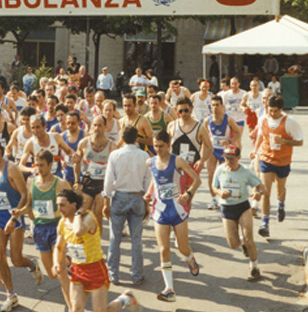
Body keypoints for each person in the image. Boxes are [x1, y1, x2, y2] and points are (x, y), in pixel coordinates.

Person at [53, 189, 142, 312]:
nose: (60, 209)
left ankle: (125, 299)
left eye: (63, 205)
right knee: (76, 309)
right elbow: (59, 246)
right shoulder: (63, 223)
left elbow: (78, 232)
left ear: (73, 205)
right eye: (58, 206)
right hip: (78, 270)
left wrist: (78, 214)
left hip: (95, 269)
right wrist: (57, 263)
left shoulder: (88, 218)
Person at [0, 139, 43, 312]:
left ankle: (31, 264)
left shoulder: (12, 169)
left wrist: (14, 218)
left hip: (14, 216)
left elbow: (24, 195)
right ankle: (11, 294)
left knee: (16, 260)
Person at [22, 149, 76, 312]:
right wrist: (18, 214)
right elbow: (29, 205)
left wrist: (71, 223)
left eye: (42, 165)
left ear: (50, 165)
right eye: (36, 164)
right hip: (39, 230)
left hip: (56, 229)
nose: (38, 168)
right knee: (52, 274)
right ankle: (68, 261)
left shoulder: (60, 183)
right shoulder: (31, 182)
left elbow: (74, 202)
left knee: (59, 272)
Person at [146, 130, 201, 302]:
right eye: (155, 146)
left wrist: (189, 194)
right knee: (164, 249)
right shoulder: (150, 162)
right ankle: (169, 289)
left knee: (182, 248)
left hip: (177, 208)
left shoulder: (177, 160)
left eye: (161, 146)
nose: (158, 150)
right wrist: (148, 194)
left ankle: (190, 259)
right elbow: (155, 181)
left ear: (168, 144)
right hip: (160, 209)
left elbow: (197, 180)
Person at [103, 126, 151, 285]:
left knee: (114, 239)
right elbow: (148, 182)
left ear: (122, 137)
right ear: (137, 137)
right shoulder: (144, 155)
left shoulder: (115, 155)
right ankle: (137, 275)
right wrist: (147, 203)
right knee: (136, 238)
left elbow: (108, 181)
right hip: (137, 196)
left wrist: (106, 201)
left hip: (119, 197)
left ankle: (113, 275)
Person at [251, 94, 303, 238]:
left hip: (283, 161)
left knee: (280, 189)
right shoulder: (263, 119)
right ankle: (265, 223)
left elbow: (300, 141)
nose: (272, 114)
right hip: (266, 159)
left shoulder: (289, 122)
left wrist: (284, 142)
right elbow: (261, 136)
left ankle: (281, 204)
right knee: (265, 191)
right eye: (270, 110)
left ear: (281, 109)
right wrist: (255, 150)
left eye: (275, 111)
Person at [212, 145, 265, 281]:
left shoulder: (246, 171)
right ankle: (242, 244)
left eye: (232, 158)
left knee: (249, 238)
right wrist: (220, 192)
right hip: (227, 208)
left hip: (242, 207)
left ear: (239, 158)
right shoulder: (220, 170)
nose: (229, 161)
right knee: (233, 244)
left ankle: (254, 268)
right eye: (226, 158)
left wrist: (258, 192)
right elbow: (214, 186)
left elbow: (260, 185)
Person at [206, 96, 242, 210]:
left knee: (224, 174)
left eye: (217, 105)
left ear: (222, 106)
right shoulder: (207, 120)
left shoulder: (228, 119)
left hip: (225, 151)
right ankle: (213, 199)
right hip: (212, 150)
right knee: (211, 173)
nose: (215, 107)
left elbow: (238, 133)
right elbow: (202, 134)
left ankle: (224, 197)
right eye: (213, 105)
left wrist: (229, 141)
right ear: (210, 107)